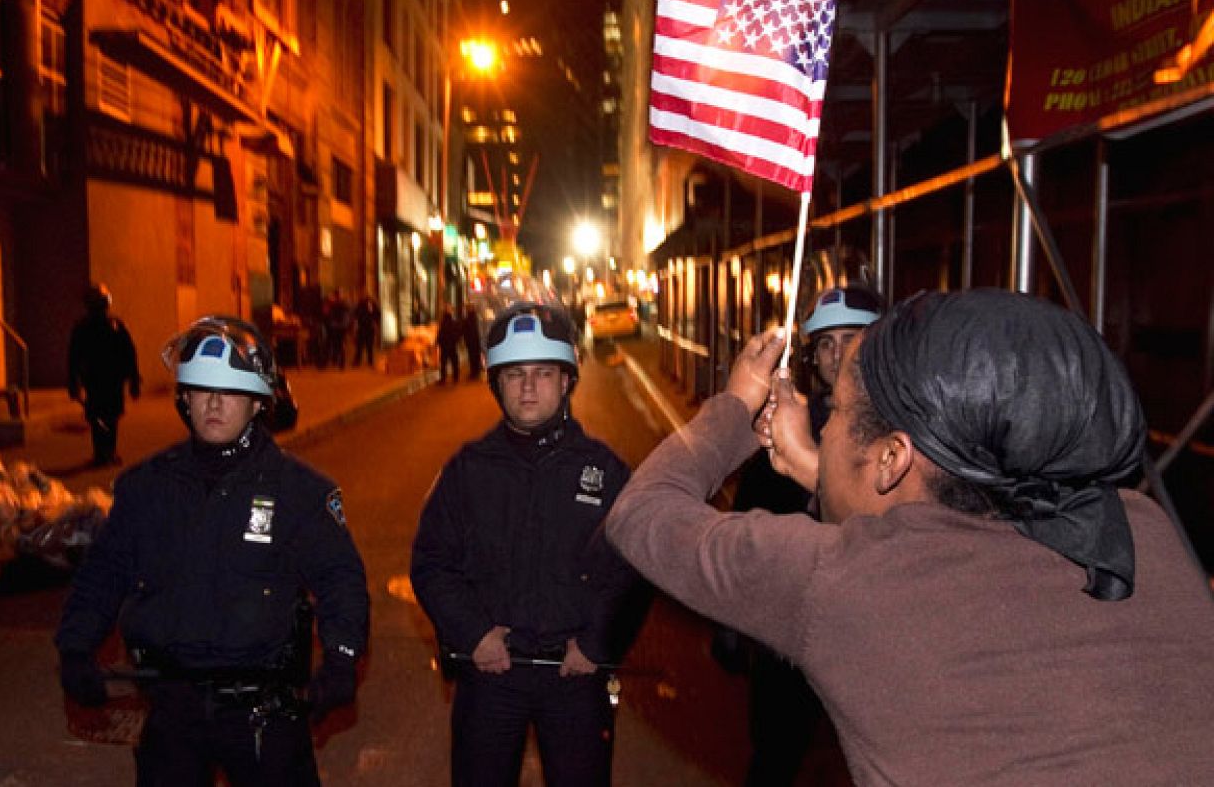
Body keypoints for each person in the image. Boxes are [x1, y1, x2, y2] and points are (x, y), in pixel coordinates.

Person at [606, 289, 1214, 785]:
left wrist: (738, 405)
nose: (830, 422)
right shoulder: (1139, 528)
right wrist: (822, 467)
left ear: (892, 456)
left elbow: (642, 513)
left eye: (839, 412)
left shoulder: (840, 581)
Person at [56, 316, 369, 785]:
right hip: (172, 706)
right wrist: (75, 647)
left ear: (258, 401)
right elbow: (105, 570)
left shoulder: (300, 492)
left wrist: (342, 657)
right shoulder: (146, 488)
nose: (214, 403)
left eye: (230, 391)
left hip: (265, 711)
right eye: (202, 390)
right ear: (184, 398)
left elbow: (340, 579)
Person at [412, 302, 637, 786]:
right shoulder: (468, 471)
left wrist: (598, 642)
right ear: (496, 384)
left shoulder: (606, 471)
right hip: (493, 674)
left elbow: (633, 567)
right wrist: (473, 634)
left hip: (574, 677)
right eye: (514, 375)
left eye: (542, 373)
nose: (529, 387)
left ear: (567, 380)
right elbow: (432, 563)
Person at [722, 285, 882, 786]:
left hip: (873, 634)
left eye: (851, 340)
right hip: (790, 633)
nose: (837, 357)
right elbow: (747, 528)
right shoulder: (784, 424)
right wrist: (732, 621)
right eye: (826, 344)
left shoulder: (908, 435)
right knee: (775, 756)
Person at [67, 283, 141, 467]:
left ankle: (106, 451)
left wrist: (133, 379)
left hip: (106, 380)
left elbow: (128, 353)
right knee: (100, 415)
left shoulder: (112, 326)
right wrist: (73, 381)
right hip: (100, 379)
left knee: (107, 415)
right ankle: (103, 452)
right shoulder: (89, 328)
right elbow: (74, 357)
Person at [436, 303, 464, 385]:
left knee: (444, 362)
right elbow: (458, 332)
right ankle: (455, 377)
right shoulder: (453, 321)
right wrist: (455, 340)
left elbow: (441, 333)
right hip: (451, 345)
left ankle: (444, 378)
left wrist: (439, 342)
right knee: (454, 361)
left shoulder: (444, 322)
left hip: (445, 345)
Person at [324, 290, 352, 369]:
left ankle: (338, 361)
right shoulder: (344, 304)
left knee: (336, 344)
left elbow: (329, 314)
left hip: (336, 327)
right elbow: (348, 316)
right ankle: (340, 362)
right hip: (342, 327)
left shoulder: (335, 305)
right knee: (340, 344)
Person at [353, 292, 380, 367]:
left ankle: (368, 361)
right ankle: (359, 361)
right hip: (363, 327)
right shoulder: (360, 304)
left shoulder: (371, 304)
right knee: (361, 346)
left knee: (368, 346)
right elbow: (356, 315)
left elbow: (377, 315)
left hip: (368, 327)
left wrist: (375, 322)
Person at [461, 304, 483, 380]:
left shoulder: (468, 319)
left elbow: (465, 331)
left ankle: (474, 372)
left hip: (471, 341)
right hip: (476, 341)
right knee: (476, 356)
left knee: (472, 357)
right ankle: (476, 371)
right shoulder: (476, 318)